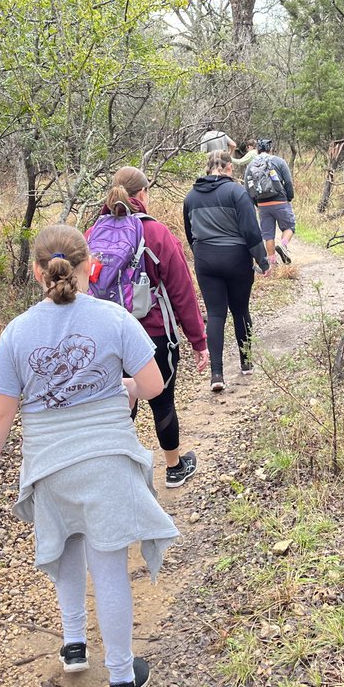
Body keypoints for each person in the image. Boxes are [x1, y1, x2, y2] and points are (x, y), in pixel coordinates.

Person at [0, 223, 178, 687]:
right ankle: (124, 679)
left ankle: (73, 645)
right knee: (108, 566)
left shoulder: (16, 333)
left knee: (64, 547)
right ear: (90, 267)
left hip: (50, 467)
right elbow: (153, 385)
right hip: (105, 461)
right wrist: (123, 388)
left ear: (35, 271)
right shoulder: (114, 318)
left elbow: (0, 414)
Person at [92, 167, 210, 488]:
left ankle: (117, 475)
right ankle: (174, 467)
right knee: (162, 400)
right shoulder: (157, 234)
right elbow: (182, 291)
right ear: (142, 194)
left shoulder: (93, 233)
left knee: (118, 403)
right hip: (154, 334)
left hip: (109, 337)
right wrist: (199, 341)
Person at [183, 151, 270, 392]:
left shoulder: (191, 196)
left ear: (208, 167)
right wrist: (263, 262)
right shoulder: (236, 192)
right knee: (240, 310)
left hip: (205, 260)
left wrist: (203, 254)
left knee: (215, 313)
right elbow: (251, 232)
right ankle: (246, 363)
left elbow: (190, 234)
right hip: (236, 259)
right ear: (229, 168)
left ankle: (217, 374)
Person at [249, 139, 297, 267]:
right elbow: (288, 182)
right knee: (289, 227)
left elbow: (248, 187)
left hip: (262, 204)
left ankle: (272, 264)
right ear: (270, 149)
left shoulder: (251, 164)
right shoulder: (279, 161)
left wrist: (256, 203)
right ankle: (283, 245)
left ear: (257, 150)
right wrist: (289, 197)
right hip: (280, 200)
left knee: (268, 235)